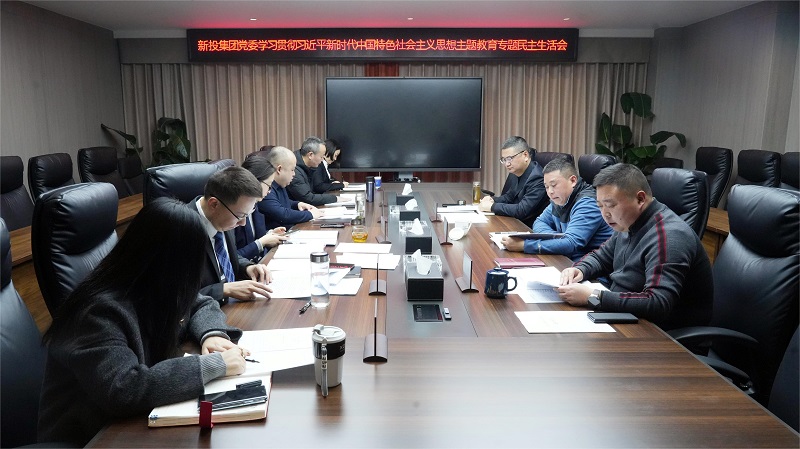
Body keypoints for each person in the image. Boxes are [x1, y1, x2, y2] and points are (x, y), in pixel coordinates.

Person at [37, 198, 252, 446]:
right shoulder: (96, 314)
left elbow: (200, 303)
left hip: (137, 422)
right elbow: (123, 388)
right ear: (168, 262)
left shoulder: (154, 285)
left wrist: (211, 334)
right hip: (92, 436)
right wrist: (214, 365)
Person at [557, 163, 713, 330]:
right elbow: (602, 257)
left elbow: (657, 303)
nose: (605, 214)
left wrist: (594, 297)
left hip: (661, 334)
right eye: (600, 206)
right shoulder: (628, 222)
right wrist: (579, 270)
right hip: (626, 317)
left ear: (640, 199)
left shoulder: (669, 236)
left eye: (610, 205)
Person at [501, 156, 613, 261]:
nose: (550, 191)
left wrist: (524, 245)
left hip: (588, 267)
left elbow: (571, 243)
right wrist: (558, 239)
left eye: (554, 185)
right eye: (546, 187)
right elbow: (539, 222)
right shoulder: (560, 198)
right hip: (566, 259)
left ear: (573, 181)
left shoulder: (588, 203)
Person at [193, 166, 273, 305]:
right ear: (214, 204)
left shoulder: (225, 214)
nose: (243, 223)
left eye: (247, 215)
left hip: (232, 307)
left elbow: (224, 257)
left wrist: (247, 268)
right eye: (240, 216)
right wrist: (223, 290)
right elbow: (170, 297)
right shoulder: (179, 229)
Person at [479, 136, 548, 227]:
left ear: (525, 155)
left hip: (527, 227)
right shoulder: (517, 172)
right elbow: (509, 197)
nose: (507, 164)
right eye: (504, 160)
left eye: (510, 158)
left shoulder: (538, 178)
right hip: (513, 222)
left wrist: (492, 206)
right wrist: (492, 199)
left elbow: (522, 210)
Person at [235, 153, 289, 262]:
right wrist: (262, 242)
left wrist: (270, 234)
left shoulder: (255, 204)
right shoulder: (235, 209)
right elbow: (232, 256)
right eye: (269, 186)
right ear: (255, 182)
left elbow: (254, 236)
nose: (269, 192)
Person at [260, 146, 323, 230]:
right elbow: (283, 214)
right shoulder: (266, 188)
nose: (294, 174)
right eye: (292, 170)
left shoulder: (279, 183)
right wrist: (311, 214)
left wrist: (297, 204)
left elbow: (281, 202)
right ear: (279, 169)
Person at [286, 136, 346, 206]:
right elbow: (308, 198)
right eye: (321, 157)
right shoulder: (295, 171)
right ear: (310, 155)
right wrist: (335, 198)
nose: (322, 160)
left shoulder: (307, 166)